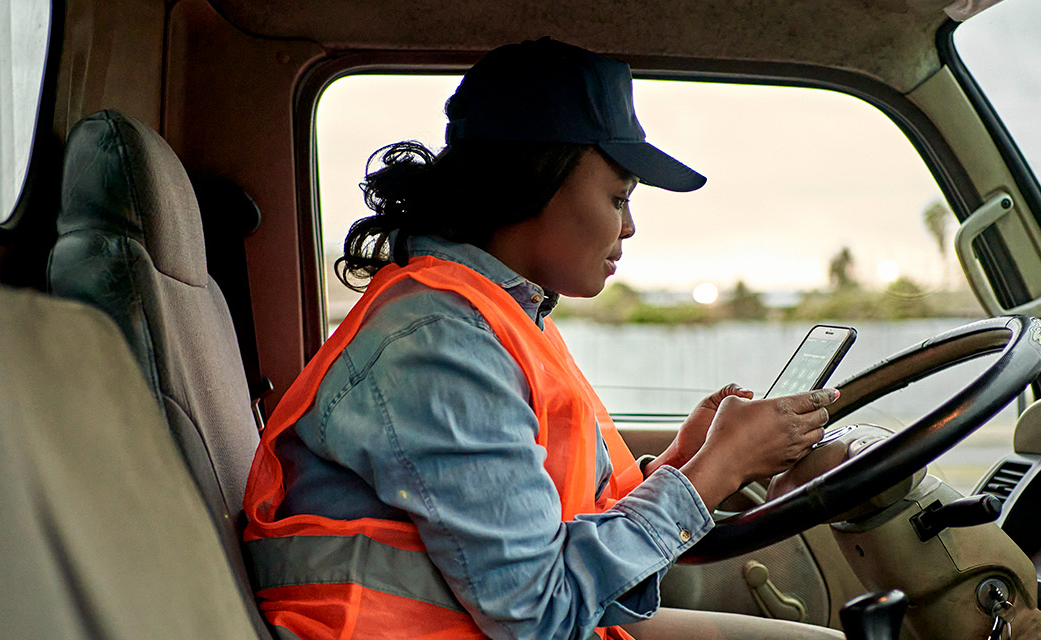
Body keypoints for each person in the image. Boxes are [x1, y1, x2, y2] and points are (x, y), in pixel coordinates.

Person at [242, 37, 843, 640]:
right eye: (618, 197)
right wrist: (720, 465)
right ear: (535, 181)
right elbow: (542, 615)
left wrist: (686, 457)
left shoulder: (501, 319)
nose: (629, 226)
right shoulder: (441, 344)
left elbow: (554, 523)